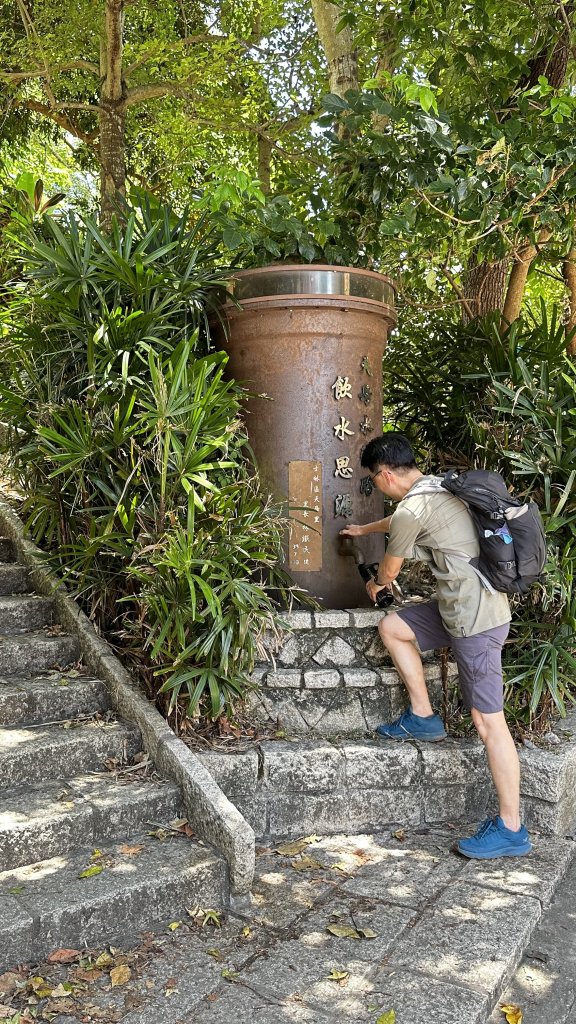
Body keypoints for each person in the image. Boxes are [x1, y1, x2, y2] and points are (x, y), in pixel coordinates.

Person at [340, 433, 532, 860]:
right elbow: (399, 523)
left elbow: (389, 569)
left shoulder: (415, 505)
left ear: (386, 474)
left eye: (375, 480)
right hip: (458, 609)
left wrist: (376, 582)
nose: (378, 486)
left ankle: (511, 827)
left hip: (475, 622)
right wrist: (364, 528)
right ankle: (424, 717)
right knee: (394, 627)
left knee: (489, 724)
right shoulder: (438, 488)